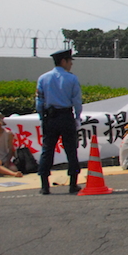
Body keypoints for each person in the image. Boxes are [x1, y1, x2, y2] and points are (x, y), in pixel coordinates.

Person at [36, 49, 83, 194]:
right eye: (70, 61)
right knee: (71, 150)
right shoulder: (72, 79)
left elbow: (39, 101)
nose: (71, 65)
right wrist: (77, 118)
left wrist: (42, 117)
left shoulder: (43, 78)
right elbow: (77, 102)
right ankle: (73, 183)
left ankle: (44, 186)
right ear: (64, 61)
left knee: (47, 150)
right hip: (66, 116)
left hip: (50, 118)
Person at [0, 112, 22, 177]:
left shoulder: (8, 133)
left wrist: (7, 161)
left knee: (14, 169)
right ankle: (13, 174)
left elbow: (10, 149)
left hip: (3, 158)